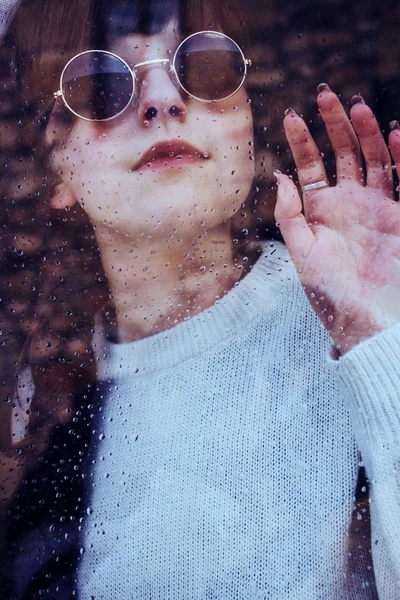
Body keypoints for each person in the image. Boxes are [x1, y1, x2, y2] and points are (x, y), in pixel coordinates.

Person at [1, 0, 400, 597]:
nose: (162, 100)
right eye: (102, 84)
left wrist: (381, 341)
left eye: (206, 67)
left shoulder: (357, 310)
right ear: (56, 164)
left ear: (245, 127)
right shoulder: (51, 446)